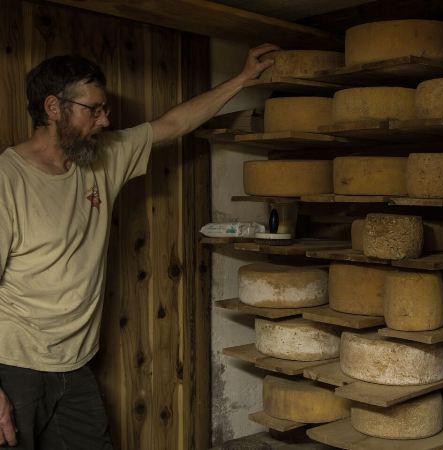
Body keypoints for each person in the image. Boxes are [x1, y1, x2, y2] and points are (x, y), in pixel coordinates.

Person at [0, 43, 279, 449]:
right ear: (53, 107)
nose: (105, 119)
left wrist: (241, 78)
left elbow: (173, 124)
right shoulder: (8, 181)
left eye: (105, 108)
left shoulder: (103, 157)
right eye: (93, 109)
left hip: (75, 365)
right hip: (14, 365)